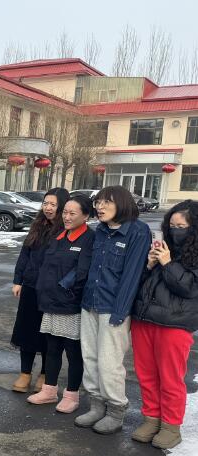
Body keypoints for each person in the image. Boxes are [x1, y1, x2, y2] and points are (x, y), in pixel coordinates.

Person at [75, 186, 151, 434]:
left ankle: (116, 410)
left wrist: (120, 312)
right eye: (98, 203)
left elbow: (132, 275)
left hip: (113, 308)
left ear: (121, 203)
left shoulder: (138, 231)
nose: (99, 207)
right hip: (90, 303)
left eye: (106, 202)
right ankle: (96, 405)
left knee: (109, 362)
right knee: (90, 358)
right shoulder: (100, 231)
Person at [130, 200, 198, 449]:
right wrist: (149, 265)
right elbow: (141, 284)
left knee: (170, 378)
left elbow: (188, 288)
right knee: (146, 375)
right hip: (144, 320)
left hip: (175, 325)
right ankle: (151, 418)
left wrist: (168, 263)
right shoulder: (164, 247)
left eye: (181, 226)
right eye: (172, 225)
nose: (175, 230)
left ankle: (171, 425)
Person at [29, 196, 94, 412]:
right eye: (65, 212)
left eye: (72, 213)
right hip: (50, 302)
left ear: (86, 216)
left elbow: (82, 273)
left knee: (73, 352)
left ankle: (72, 395)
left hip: (70, 305)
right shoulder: (59, 236)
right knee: (52, 348)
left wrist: (65, 291)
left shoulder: (89, 238)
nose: (66, 217)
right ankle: (49, 390)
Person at [10, 188, 69, 393]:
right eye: (45, 203)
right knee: (26, 330)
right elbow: (24, 254)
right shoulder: (37, 225)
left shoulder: (65, 229)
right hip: (30, 285)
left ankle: (45, 373)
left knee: (47, 333)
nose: (48, 208)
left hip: (52, 290)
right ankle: (25, 372)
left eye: (53, 204)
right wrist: (18, 280)